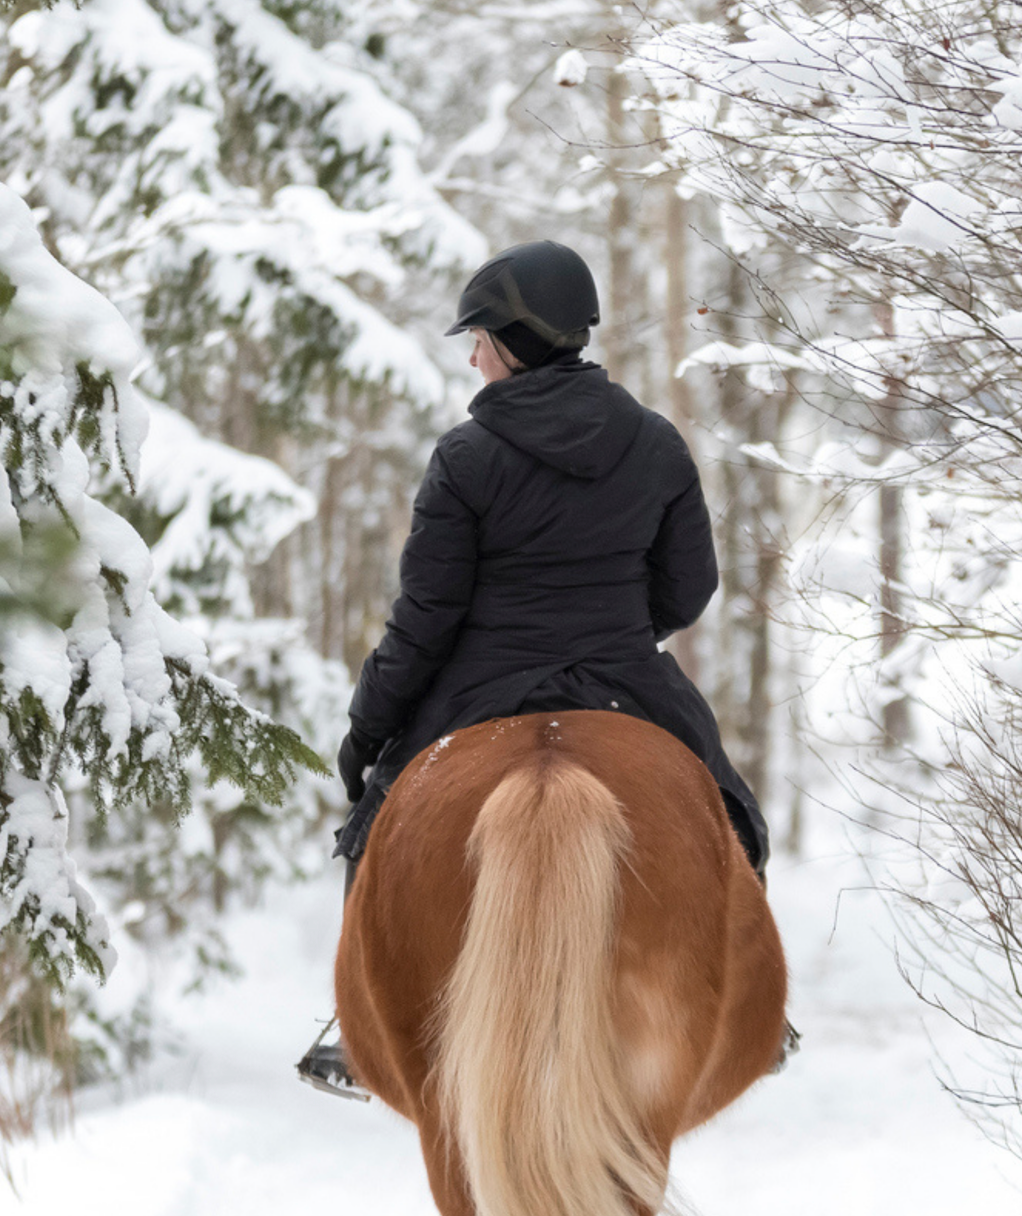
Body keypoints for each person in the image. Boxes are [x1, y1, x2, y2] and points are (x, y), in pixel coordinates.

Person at [299, 239, 779, 1099]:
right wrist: (618, 635)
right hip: (625, 676)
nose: (473, 354)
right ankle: (754, 1005)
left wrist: (368, 731)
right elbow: (689, 589)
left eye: (479, 336)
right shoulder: (657, 444)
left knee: (374, 837)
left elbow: (425, 619)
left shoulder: (466, 457)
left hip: (479, 686)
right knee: (734, 820)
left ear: (512, 340)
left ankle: (356, 1028)